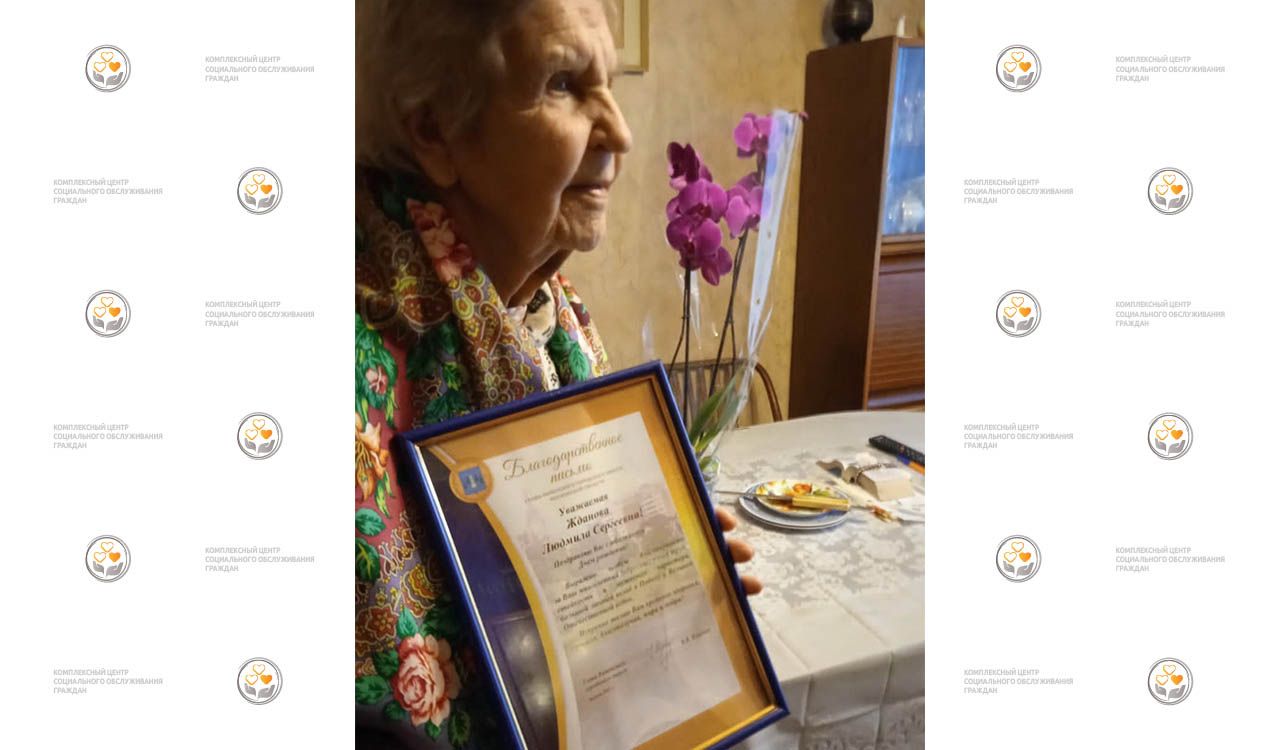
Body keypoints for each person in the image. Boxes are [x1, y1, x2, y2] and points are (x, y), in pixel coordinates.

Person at [354, 0, 760, 745]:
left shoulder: (551, 313)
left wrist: (666, 594)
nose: (621, 132)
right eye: (564, 84)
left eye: (610, 83)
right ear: (434, 129)